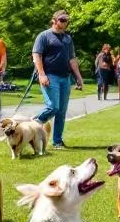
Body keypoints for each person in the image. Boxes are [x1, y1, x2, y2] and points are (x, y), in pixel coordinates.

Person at [32, 10, 84, 148]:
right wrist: (42, 74)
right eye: (62, 20)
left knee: (61, 112)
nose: (65, 23)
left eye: (66, 20)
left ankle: (57, 141)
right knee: (53, 107)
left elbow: (72, 59)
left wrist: (78, 77)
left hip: (65, 77)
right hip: (50, 76)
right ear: (54, 20)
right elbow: (37, 56)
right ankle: (34, 122)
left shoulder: (67, 39)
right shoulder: (44, 36)